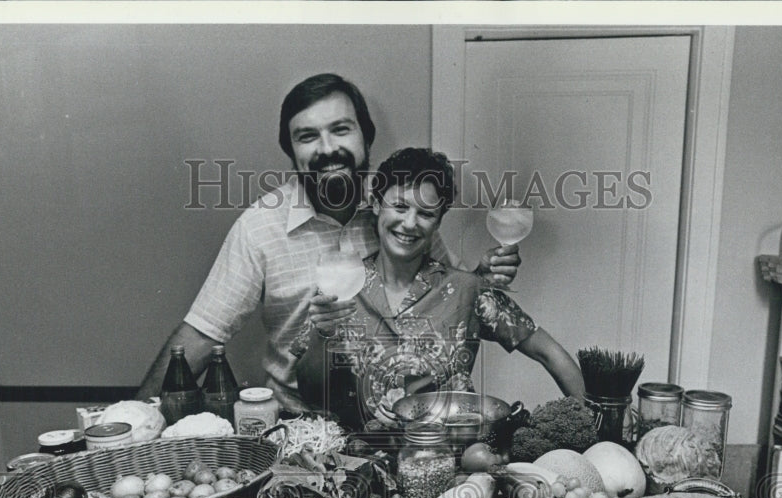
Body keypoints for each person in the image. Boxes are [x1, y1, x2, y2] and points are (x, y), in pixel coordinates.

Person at [136, 73, 521, 411]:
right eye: (307, 136)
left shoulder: (399, 212)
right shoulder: (260, 227)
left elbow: (443, 298)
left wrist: (478, 278)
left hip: (395, 420)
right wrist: (135, 416)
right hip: (297, 425)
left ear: (365, 137)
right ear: (292, 152)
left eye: (340, 129)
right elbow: (202, 334)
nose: (326, 149)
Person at [292, 147, 585, 431]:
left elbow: (550, 354)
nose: (409, 224)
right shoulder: (341, 287)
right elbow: (310, 393)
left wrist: (598, 431)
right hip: (361, 467)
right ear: (378, 205)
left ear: (439, 221)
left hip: (453, 463)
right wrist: (322, 333)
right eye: (400, 206)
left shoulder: (467, 289)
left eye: (426, 213)